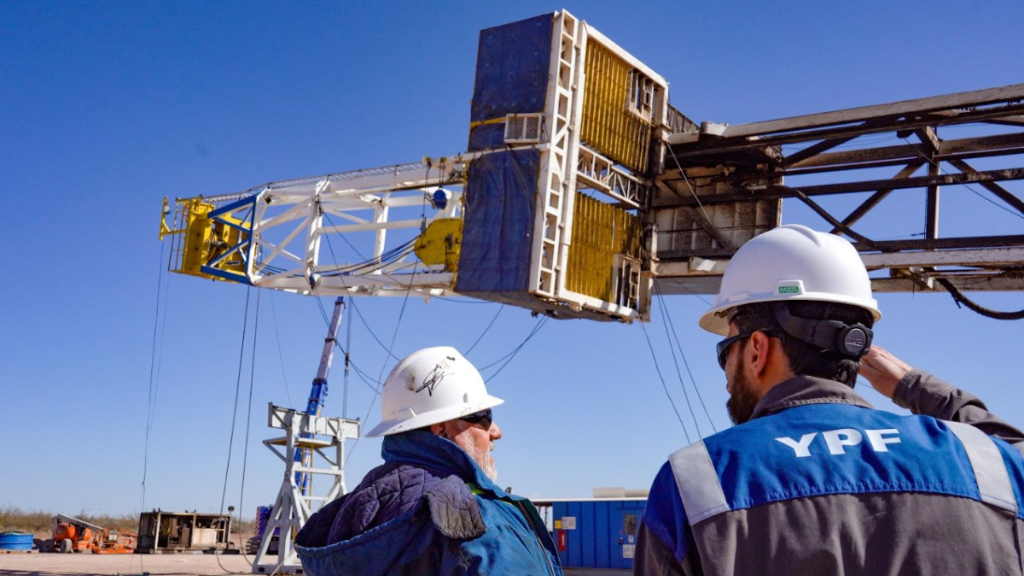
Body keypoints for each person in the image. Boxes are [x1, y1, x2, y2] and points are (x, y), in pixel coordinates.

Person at [635, 224, 1024, 576]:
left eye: (726, 351)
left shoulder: (696, 482)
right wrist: (911, 384)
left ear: (756, 350)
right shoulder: (987, 466)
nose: (725, 377)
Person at [295, 346, 563, 576]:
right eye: (483, 416)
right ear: (442, 429)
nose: (496, 431)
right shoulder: (479, 522)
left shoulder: (357, 510)